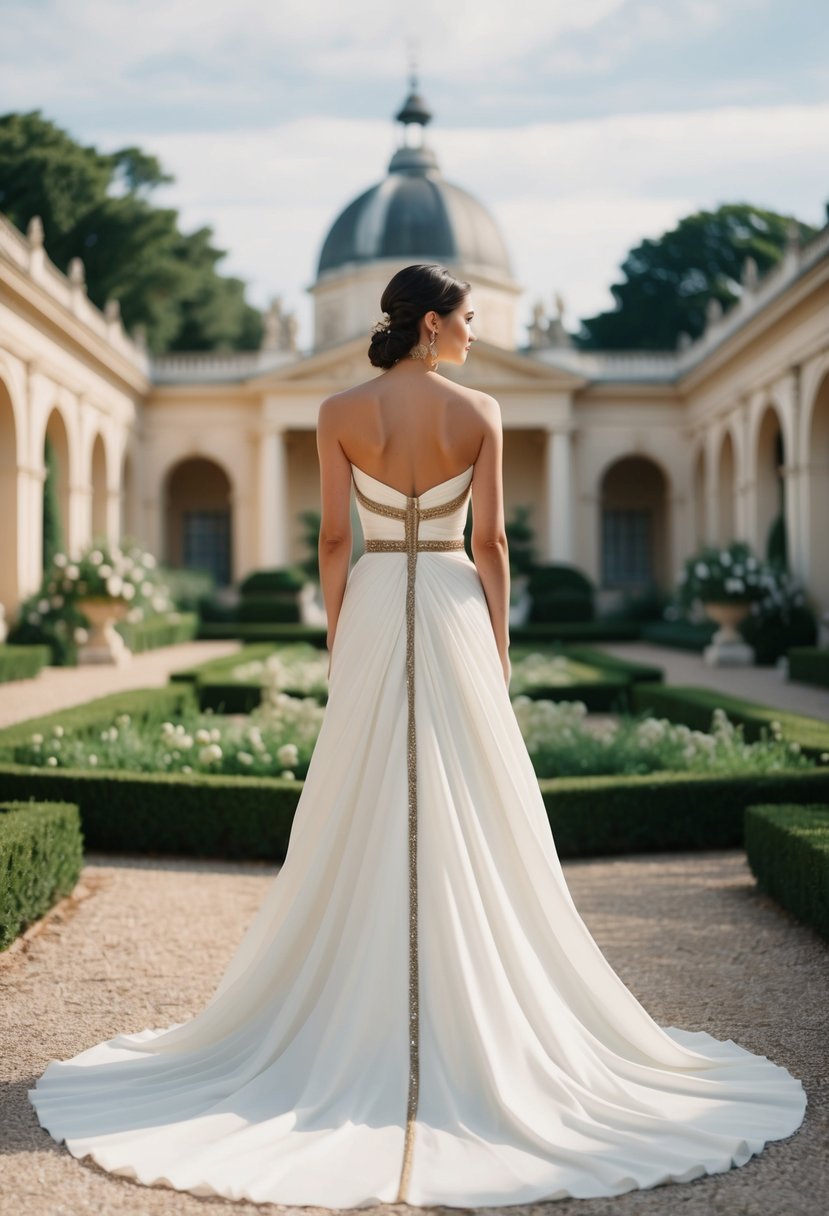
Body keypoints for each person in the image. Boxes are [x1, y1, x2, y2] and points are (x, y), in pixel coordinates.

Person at [28, 264, 806, 1208]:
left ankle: (346, 1015)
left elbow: (328, 542)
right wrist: (500, 641)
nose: (476, 334)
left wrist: (338, 630)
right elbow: (492, 546)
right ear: (431, 325)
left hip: (373, 602)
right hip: (447, 601)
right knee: (472, 791)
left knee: (354, 793)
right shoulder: (478, 410)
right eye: (468, 320)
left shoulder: (337, 409)